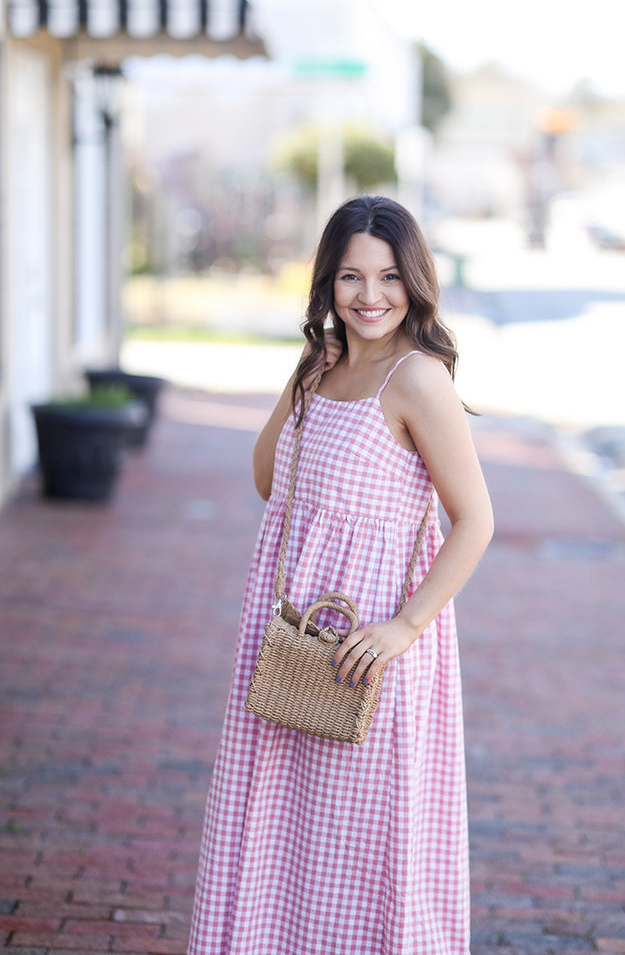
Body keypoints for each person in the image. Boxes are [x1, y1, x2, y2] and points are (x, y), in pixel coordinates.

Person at [188, 195, 494, 955]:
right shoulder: (320, 367)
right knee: (282, 822)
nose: (370, 296)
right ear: (327, 283)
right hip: (292, 640)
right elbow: (270, 481)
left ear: (413, 281)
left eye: (388, 277)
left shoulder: (417, 381)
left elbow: (476, 521)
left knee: (364, 845)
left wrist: (402, 628)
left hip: (369, 652)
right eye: (350, 277)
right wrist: (303, 376)